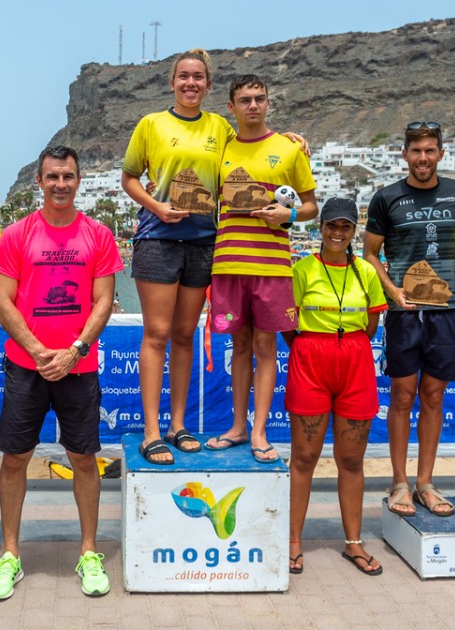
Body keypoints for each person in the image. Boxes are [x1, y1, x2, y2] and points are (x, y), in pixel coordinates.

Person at [121, 49, 305, 464]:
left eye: (198, 77)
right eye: (183, 76)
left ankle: (178, 426)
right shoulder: (152, 124)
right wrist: (156, 207)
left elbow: (253, 144)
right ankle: (152, 431)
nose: (190, 83)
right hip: (157, 240)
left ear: (207, 85)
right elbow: (129, 178)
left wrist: (291, 138)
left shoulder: (220, 127)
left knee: (185, 336)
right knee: (156, 334)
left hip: (207, 243)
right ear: (172, 82)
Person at [0, 145, 121, 600]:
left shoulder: (98, 235)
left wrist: (75, 349)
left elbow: (103, 299)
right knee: (15, 459)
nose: (60, 184)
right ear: (39, 182)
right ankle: (10, 555)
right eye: (52, 177)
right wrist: (40, 350)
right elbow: (2, 300)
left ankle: (87, 552)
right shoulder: (17, 235)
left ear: (78, 180)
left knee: (83, 459)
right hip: (27, 366)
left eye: (68, 176)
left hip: (78, 368)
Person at [363, 121, 455, 518]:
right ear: (404, 155)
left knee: (433, 397)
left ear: (441, 154)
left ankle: (426, 482)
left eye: (430, 151)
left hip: (446, 312)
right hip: (404, 312)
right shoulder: (386, 198)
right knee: (401, 397)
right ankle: (399, 482)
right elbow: (370, 255)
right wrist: (391, 291)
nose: (423, 159)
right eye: (416, 151)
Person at [205, 74, 318, 463]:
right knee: (239, 346)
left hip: (272, 265)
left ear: (268, 103)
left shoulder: (289, 150)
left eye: (259, 98)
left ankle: (259, 431)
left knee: (266, 347)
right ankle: (237, 427)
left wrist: (285, 214)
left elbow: (311, 206)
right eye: (245, 100)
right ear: (231, 107)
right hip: (228, 262)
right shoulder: (220, 148)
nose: (253, 105)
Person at [284, 199, 387, 576]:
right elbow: (288, 324)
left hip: (355, 361)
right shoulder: (303, 269)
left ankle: (354, 544)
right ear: (321, 227)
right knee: (305, 458)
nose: (337, 233)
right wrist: (316, 345)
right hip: (311, 358)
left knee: (351, 461)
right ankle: (294, 542)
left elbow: (372, 324)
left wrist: (344, 345)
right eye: (331, 226)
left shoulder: (366, 273)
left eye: (345, 227)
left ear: (354, 231)